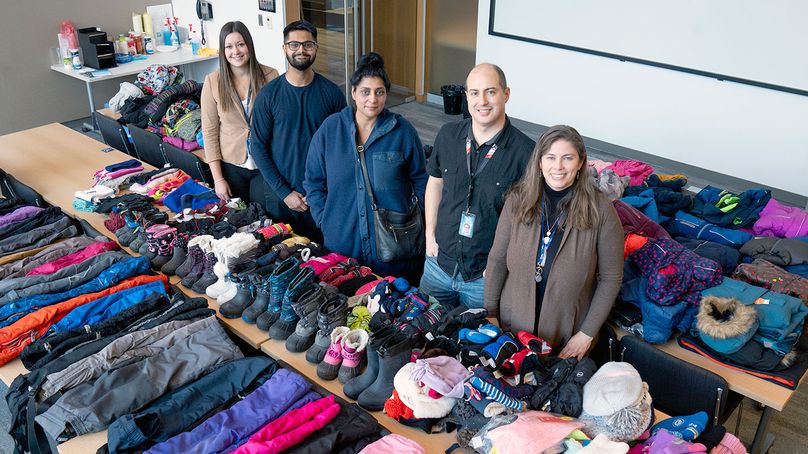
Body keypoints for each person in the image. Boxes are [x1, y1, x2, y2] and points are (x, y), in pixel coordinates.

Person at [484, 125, 624, 359]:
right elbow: (497, 260)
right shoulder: (517, 200)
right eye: (550, 157)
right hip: (511, 332)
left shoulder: (601, 210)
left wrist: (586, 334)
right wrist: (490, 314)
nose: (558, 167)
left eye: (567, 158)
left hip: (567, 338)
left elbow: (611, 278)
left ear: (581, 163)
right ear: (539, 162)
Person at [420, 63, 535, 309]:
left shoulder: (526, 153)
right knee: (423, 332)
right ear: (466, 96)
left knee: (474, 343)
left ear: (506, 94)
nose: (482, 101)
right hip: (437, 263)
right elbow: (435, 182)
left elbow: (527, 221)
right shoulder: (448, 135)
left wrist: (501, 265)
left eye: (490, 92)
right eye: (474, 93)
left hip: (483, 277)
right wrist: (430, 234)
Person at [304, 53, 427, 277]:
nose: (372, 99)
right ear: (353, 93)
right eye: (365, 92)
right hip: (342, 243)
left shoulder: (402, 131)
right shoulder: (331, 129)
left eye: (379, 92)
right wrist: (326, 220)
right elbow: (313, 180)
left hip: (395, 248)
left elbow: (421, 179)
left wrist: (414, 216)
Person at [250, 20, 347, 240]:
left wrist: (321, 191)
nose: (301, 50)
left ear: (316, 49)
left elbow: (342, 148)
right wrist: (285, 193)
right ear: (284, 48)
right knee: (281, 256)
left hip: (322, 196)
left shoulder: (332, 94)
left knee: (323, 258)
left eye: (307, 44)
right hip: (280, 195)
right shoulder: (268, 95)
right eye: (293, 44)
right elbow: (258, 147)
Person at [201, 21, 278, 202]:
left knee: (268, 220)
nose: (235, 51)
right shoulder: (213, 81)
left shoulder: (271, 76)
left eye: (240, 44)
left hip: (265, 165)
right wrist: (218, 179)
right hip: (231, 166)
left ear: (249, 45)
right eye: (229, 46)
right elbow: (210, 131)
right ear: (223, 50)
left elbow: (280, 125)